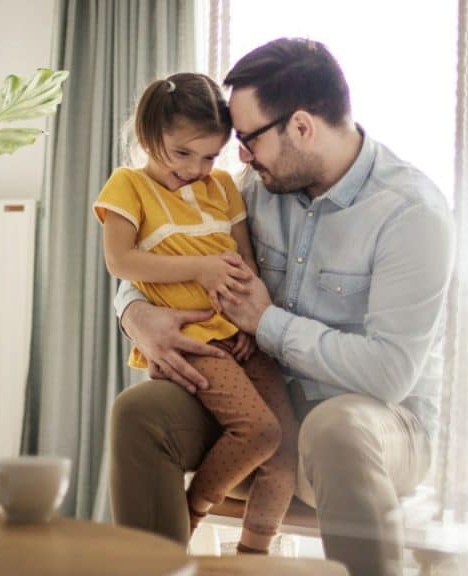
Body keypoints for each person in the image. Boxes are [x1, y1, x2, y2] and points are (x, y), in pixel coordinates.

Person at [109, 39, 455, 576]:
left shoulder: (411, 215)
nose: (238, 155)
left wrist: (266, 324)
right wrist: (135, 315)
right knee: (139, 413)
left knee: (333, 429)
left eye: (247, 138)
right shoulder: (256, 188)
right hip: (262, 407)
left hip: (376, 429)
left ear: (301, 127)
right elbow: (171, 250)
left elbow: (388, 375)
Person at [93, 72, 299, 555]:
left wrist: (253, 320)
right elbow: (120, 262)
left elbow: (244, 260)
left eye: (209, 155)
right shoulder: (129, 186)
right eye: (182, 153)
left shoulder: (222, 186)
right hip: (194, 341)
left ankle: (252, 558)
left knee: (284, 452)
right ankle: (195, 510)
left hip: (242, 335)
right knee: (260, 431)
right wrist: (201, 269)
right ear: (148, 137)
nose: (195, 168)